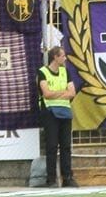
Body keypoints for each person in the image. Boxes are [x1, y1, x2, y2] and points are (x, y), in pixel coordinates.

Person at [37, 45, 76, 187]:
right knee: (52, 146)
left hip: (65, 111)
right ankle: (51, 179)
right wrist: (62, 91)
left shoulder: (66, 72)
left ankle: (67, 178)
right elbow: (46, 93)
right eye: (63, 56)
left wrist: (56, 92)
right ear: (55, 57)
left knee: (66, 146)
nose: (65, 58)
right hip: (49, 112)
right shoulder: (42, 72)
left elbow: (72, 92)